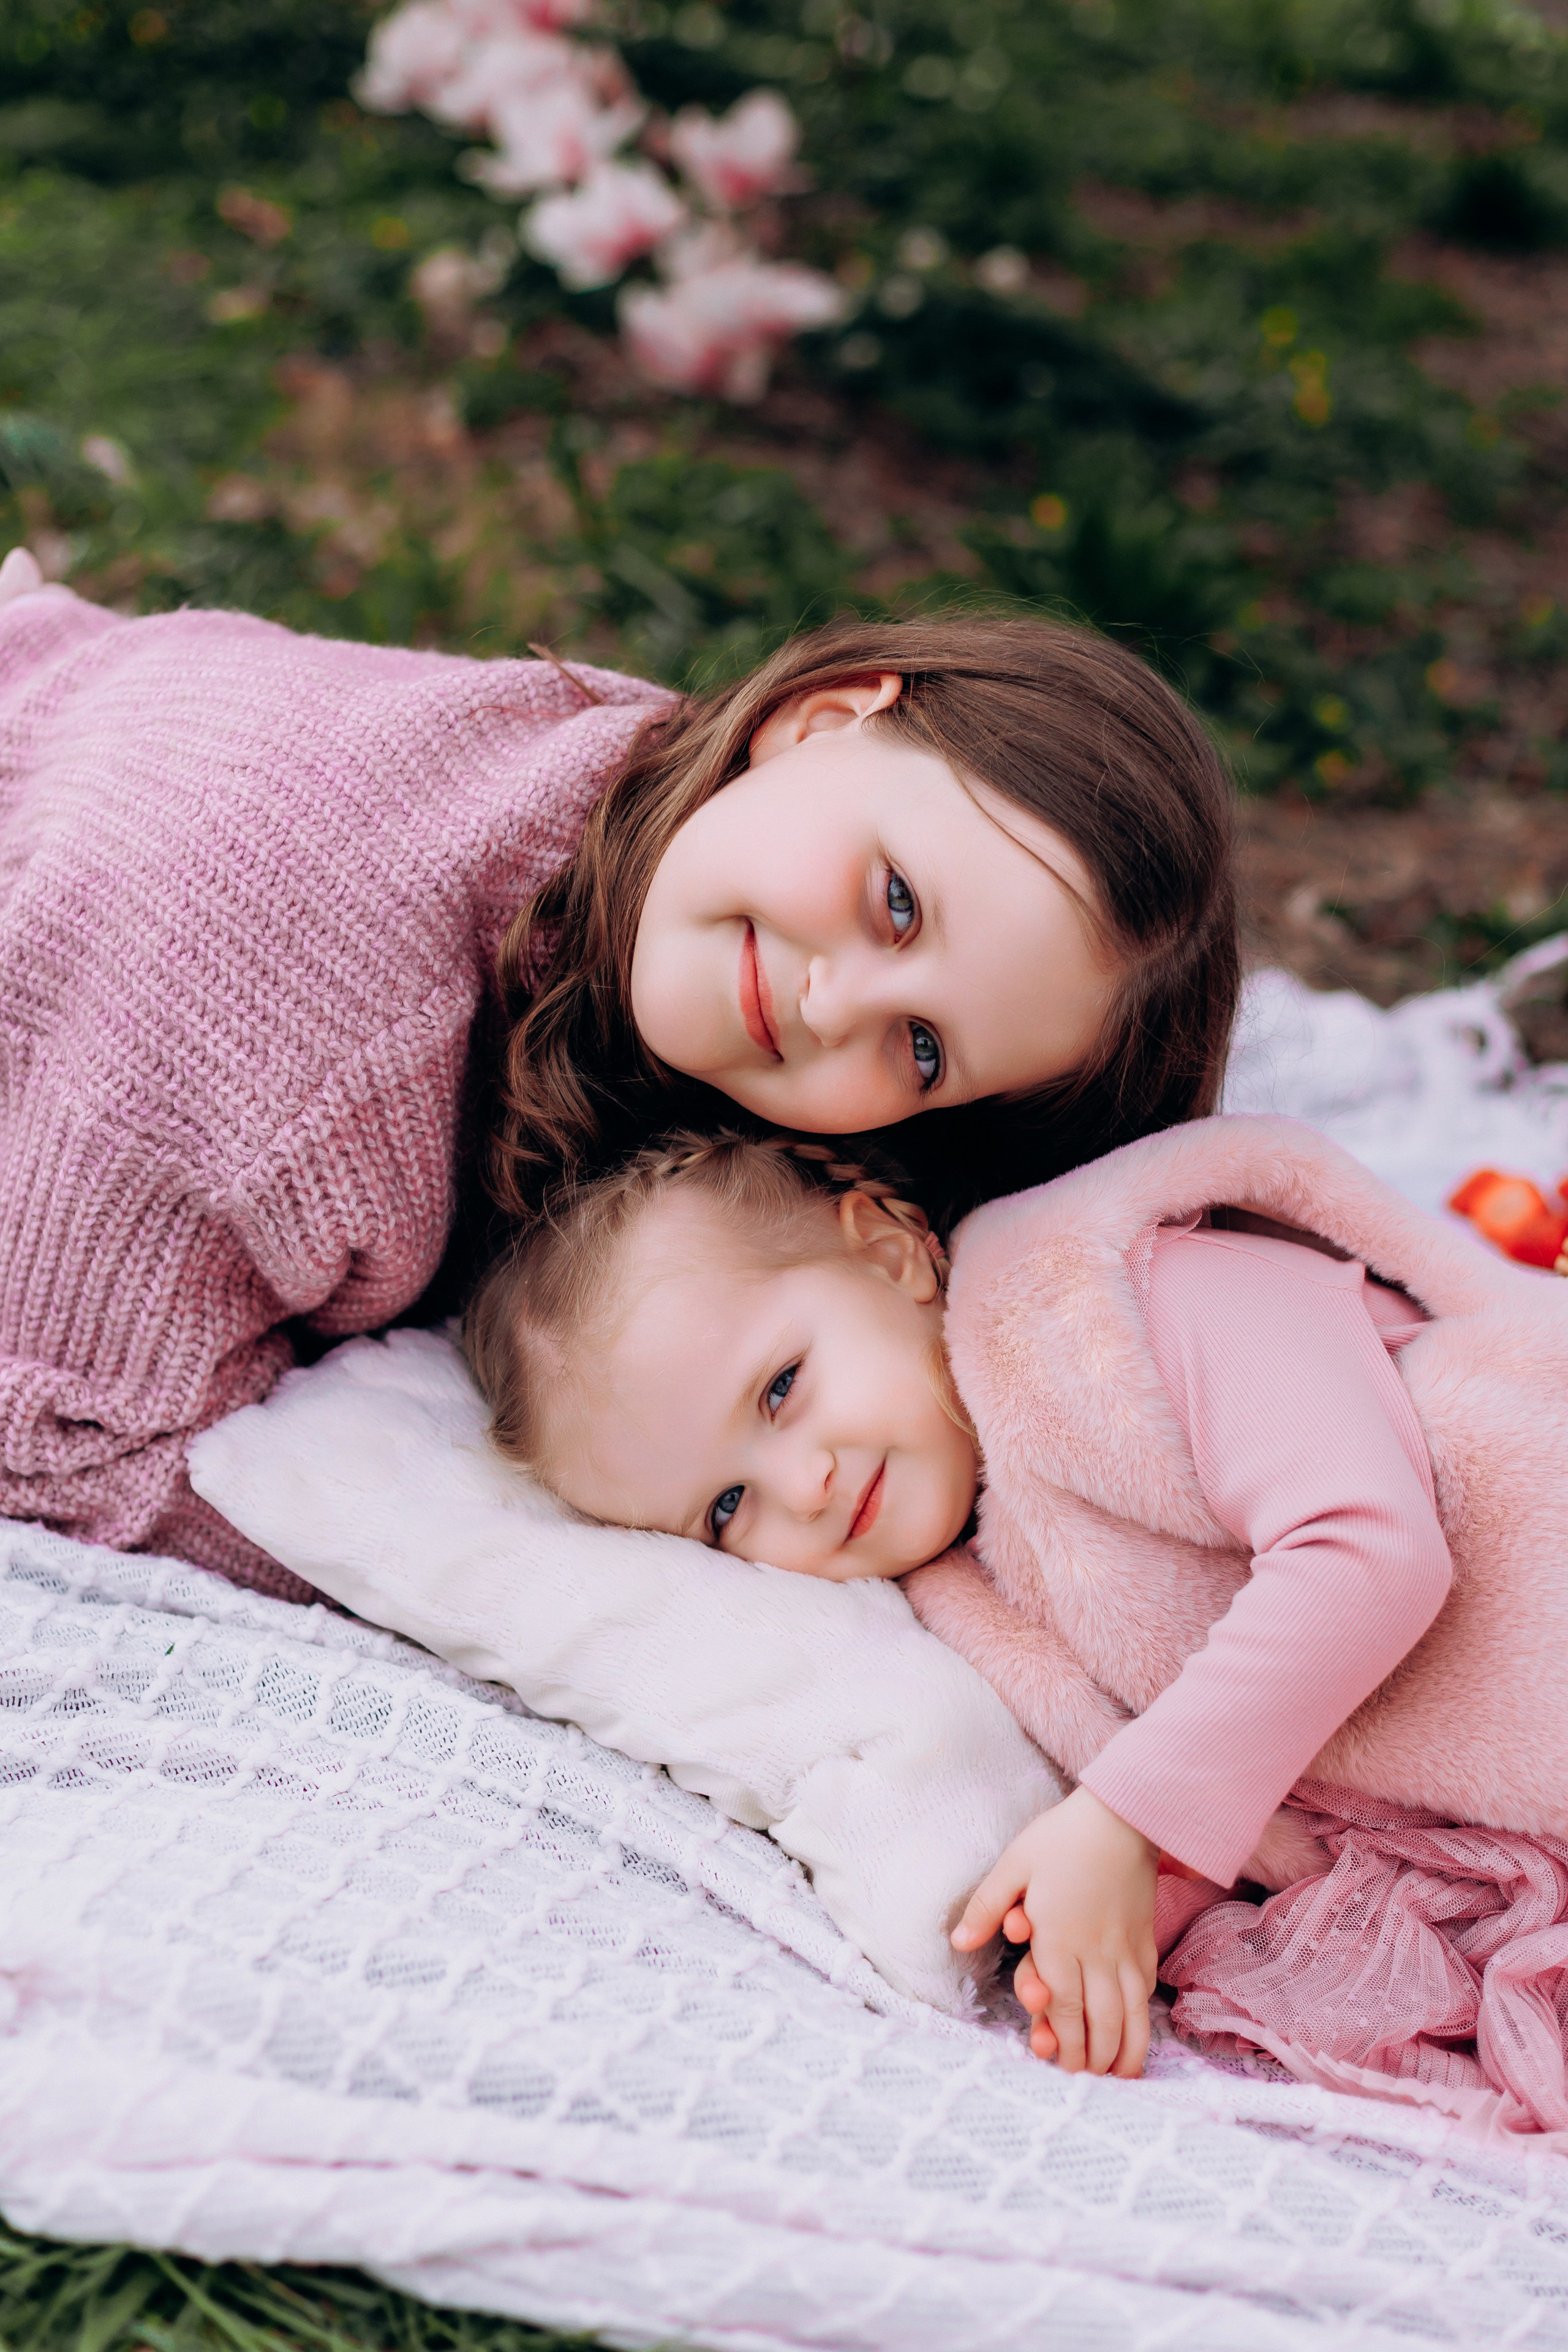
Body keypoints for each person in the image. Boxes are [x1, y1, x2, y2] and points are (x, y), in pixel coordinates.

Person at [0, 549, 1235, 1596]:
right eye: (895, 902)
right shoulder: (300, 1030)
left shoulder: (697, 861)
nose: (830, 1000)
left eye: (920, 1049)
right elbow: (58, 1442)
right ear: (822, 720)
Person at [461, 1121, 1568, 2082]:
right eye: (726, 1507)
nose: (804, 1486)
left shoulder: (1125, 1299)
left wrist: (1126, 1819)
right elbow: (1261, 1770)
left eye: (783, 1388)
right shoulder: (970, 1585)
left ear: (891, 1253)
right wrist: (1122, 1913)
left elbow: (1369, 1551)